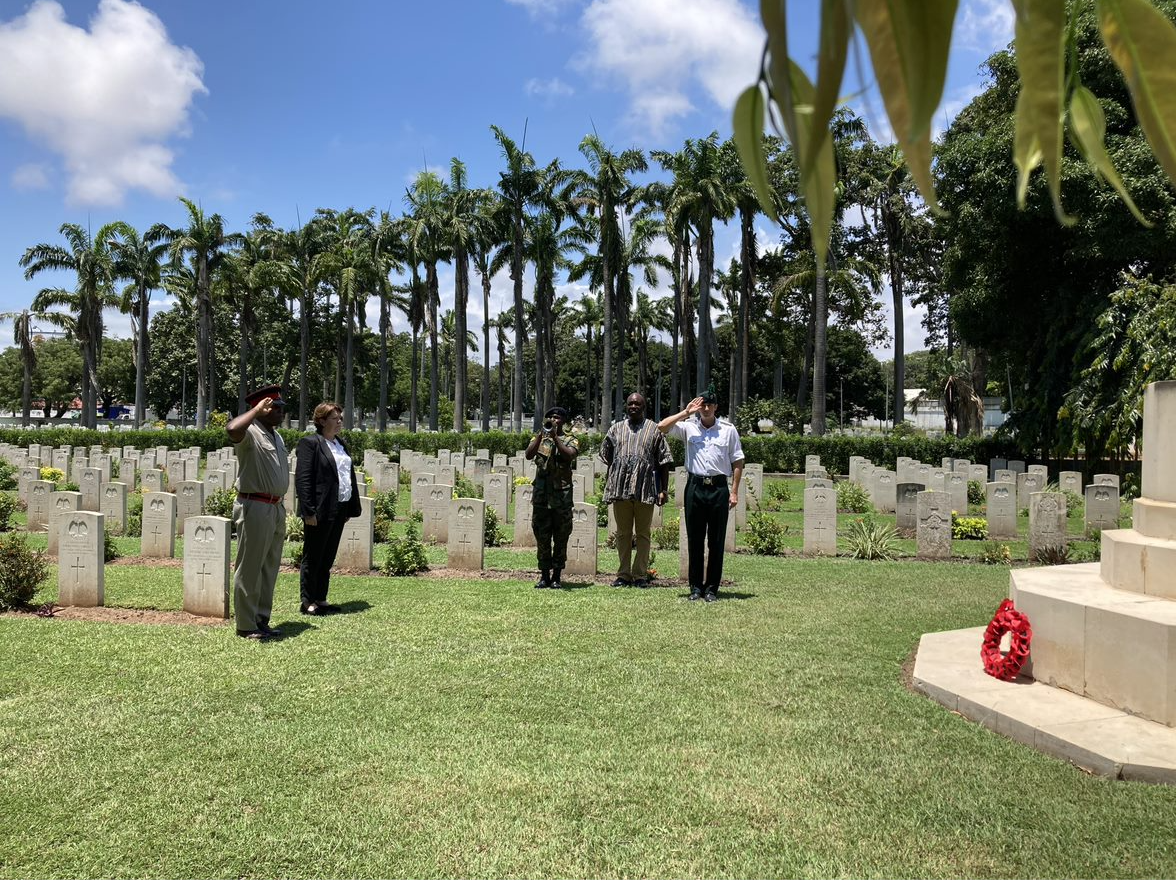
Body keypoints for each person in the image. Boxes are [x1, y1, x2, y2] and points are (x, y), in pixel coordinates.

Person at [658, 385, 745, 602]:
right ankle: (696, 587)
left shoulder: (728, 430)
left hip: (718, 488)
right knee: (695, 540)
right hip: (695, 487)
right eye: (702, 405)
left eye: (709, 405)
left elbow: (737, 460)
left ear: (716, 407)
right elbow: (662, 427)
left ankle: (712, 588)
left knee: (716, 541)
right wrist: (686, 412)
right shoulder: (688, 427)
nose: (706, 408)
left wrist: (734, 492)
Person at [227, 384, 290, 639]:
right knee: (250, 567)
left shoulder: (276, 435)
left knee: (269, 567)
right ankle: (246, 624)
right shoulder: (250, 432)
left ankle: (261, 619)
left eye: (281, 408)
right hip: (255, 506)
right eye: (276, 408)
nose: (281, 412)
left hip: (275, 507)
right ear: (261, 408)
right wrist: (254, 411)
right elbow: (231, 429)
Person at [295, 401, 361, 616]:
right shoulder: (310, 443)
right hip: (319, 509)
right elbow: (304, 479)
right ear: (322, 421)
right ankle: (307, 601)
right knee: (313, 556)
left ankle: (321, 598)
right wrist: (308, 510)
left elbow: (346, 476)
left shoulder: (340, 444)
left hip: (339, 507)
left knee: (327, 556)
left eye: (340, 418)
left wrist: (349, 507)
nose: (340, 422)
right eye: (335, 418)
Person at [600, 392, 672, 587]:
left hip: (645, 489)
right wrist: (613, 479)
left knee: (643, 533)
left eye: (637, 404)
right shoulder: (615, 429)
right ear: (626, 406)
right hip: (620, 489)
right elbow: (607, 457)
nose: (633, 406)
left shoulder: (654, 430)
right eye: (630, 403)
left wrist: (663, 489)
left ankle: (640, 575)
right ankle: (623, 574)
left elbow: (664, 461)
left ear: (644, 407)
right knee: (622, 533)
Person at [525, 405, 580, 589]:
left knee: (561, 535)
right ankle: (544, 575)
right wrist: (542, 435)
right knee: (542, 535)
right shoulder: (540, 438)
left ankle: (557, 575)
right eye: (551, 418)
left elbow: (569, 455)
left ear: (563, 421)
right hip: (542, 496)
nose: (554, 420)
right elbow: (528, 454)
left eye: (558, 417)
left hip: (561, 497)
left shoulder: (570, 439)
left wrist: (556, 438)